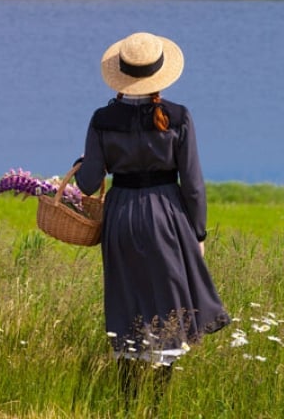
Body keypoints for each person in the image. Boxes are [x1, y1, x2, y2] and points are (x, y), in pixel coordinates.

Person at [74, 31, 231, 404]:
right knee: (167, 304)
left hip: (122, 216)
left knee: (126, 300)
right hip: (167, 216)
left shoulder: (101, 119)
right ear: (160, 73)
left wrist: (80, 166)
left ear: (121, 73)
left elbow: (88, 182)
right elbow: (192, 183)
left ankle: (127, 402)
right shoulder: (178, 116)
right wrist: (198, 233)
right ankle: (156, 405)